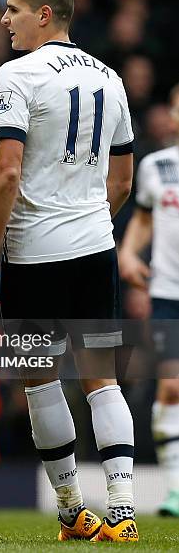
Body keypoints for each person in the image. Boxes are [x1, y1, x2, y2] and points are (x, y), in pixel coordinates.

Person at [0, 0, 138, 542]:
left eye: (14, 9)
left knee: (40, 380)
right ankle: (122, 509)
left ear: (44, 15)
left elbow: (6, 172)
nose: (5, 20)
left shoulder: (16, 76)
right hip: (96, 246)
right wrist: (90, 220)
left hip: (33, 253)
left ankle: (72, 512)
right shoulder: (110, 77)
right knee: (103, 379)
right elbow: (122, 181)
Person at [119, 83, 179, 517]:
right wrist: (127, 252)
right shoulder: (157, 167)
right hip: (168, 295)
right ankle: (176, 489)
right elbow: (142, 219)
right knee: (172, 389)